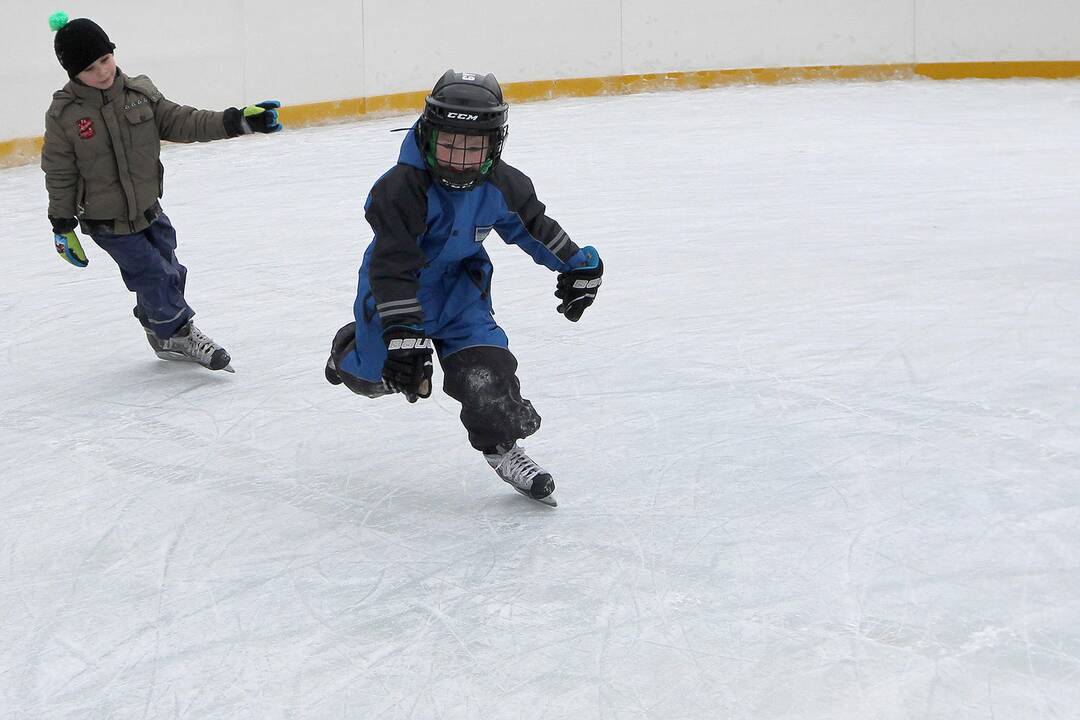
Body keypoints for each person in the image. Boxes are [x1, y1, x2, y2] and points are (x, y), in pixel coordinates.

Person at [325, 70, 605, 507]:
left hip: (461, 292)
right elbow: (392, 266)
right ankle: (347, 351)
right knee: (377, 378)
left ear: (495, 144)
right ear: (429, 135)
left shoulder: (503, 185)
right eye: (449, 144)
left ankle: (503, 448)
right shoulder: (400, 189)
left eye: (473, 147)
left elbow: (533, 228)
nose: (459, 159)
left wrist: (577, 264)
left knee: (485, 374)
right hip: (397, 292)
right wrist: (401, 333)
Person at [41, 12, 283, 372]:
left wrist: (238, 121)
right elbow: (59, 171)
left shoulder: (140, 95)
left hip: (148, 207)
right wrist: (62, 225)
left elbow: (186, 121)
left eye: (106, 59)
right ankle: (178, 332)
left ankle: (157, 324)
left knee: (170, 264)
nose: (104, 72)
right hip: (105, 219)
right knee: (155, 274)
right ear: (74, 74)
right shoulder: (65, 115)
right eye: (91, 68)